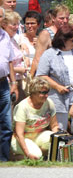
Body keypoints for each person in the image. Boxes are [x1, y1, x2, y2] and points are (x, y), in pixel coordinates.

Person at [35, 24, 73, 131]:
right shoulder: (49, 54)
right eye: (72, 40)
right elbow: (41, 75)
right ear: (63, 40)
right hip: (58, 96)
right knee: (60, 128)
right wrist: (57, 86)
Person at [10, 77, 59, 160]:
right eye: (43, 93)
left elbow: (54, 126)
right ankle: (13, 157)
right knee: (37, 155)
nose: (46, 95)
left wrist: (59, 140)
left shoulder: (49, 103)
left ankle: (40, 157)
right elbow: (19, 134)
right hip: (21, 139)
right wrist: (28, 153)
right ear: (33, 93)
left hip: (38, 136)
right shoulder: (23, 107)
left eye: (47, 92)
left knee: (53, 140)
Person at [30, 4, 70, 77]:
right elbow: (38, 58)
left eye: (67, 18)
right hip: (50, 76)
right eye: (61, 18)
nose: (65, 21)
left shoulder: (69, 33)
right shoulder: (46, 34)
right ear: (53, 18)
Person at [0, 19, 19, 161]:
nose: (1, 19)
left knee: (6, 124)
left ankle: (3, 159)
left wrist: (13, 83)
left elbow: (10, 61)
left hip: (3, 84)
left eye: (2, 16)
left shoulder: (5, 36)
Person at [2, 11, 27, 103]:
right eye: (13, 24)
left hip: (19, 79)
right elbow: (4, 63)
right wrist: (18, 70)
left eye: (17, 24)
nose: (16, 27)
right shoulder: (3, 40)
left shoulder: (14, 39)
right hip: (8, 81)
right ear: (4, 25)